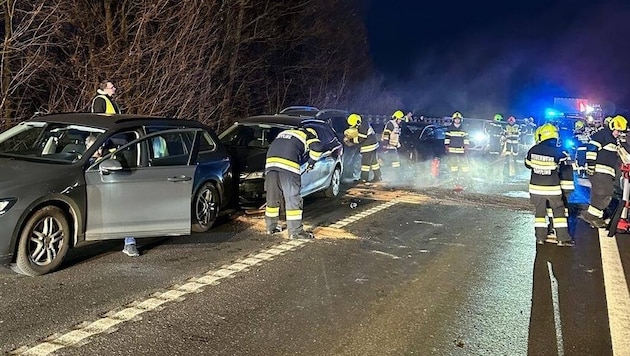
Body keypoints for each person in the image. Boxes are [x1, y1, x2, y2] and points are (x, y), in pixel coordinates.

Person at [91, 80, 138, 256]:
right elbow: (101, 125)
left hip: (114, 153)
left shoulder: (111, 102)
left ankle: (129, 241)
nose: (115, 89)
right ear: (103, 89)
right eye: (112, 87)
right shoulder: (100, 101)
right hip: (108, 152)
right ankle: (128, 240)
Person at [264, 127, 323, 239]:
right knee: (293, 199)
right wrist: (311, 162)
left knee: (272, 198)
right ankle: (296, 232)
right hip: (288, 166)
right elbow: (317, 147)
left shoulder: (284, 133)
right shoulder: (307, 134)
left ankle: (271, 227)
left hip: (270, 164)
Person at [525, 123, 574, 247]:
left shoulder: (533, 150)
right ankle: (562, 238)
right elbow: (566, 163)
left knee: (539, 214)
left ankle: (540, 238)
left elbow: (527, 164)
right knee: (558, 212)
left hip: (535, 189)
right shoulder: (557, 152)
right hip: (552, 188)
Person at [579, 115, 628, 228]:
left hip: (605, 171)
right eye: (617, 130)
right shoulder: (603, 134)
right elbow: (591, 148)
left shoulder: (613, 138)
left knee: (598, 194)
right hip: (599, 170)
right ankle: (592, 216)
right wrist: (591, 165)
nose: (618, 133)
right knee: (606, 192)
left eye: (620, 131)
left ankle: (593, 216)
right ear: (611, 127)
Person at [345, 113, 382, 184]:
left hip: (368, 147)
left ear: (358, 122)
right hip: (373, 145)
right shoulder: (363, 122)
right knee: (374, 163)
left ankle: (364, 179)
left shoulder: (363, 126)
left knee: (365, 164)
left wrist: (351, 140)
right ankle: (378, 177)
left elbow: (361, 139)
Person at [444, 111, 470, 184]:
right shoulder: (449, 129)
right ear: (453, 120)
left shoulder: (464, 129)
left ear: (460, 120)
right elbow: (447, 138)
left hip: (461, 150)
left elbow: (466, 139)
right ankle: (454, 178)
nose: (457, 120)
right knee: (453, 165)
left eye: (458, 119)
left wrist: (466, 147)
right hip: (452, 150)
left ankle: (466, 178)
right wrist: (446, 146)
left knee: (464, 165)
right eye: (456, 119)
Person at [380, 110, 404, 175]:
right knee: (388, 162)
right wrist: (385, 144)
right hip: (388, 147)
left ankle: (396, 176)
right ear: (396, 118)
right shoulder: (390, 124)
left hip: (393, 147)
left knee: (395, 163)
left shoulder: (396, 125)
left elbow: (395, 137)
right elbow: (386, 134)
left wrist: (398, 145)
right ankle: (390, 175)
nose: (400, 121)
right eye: (400, 119)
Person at [502, 116, 521, 181]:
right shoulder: (506, 127)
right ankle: (506, 170)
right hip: (508, 142)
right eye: (510, 121)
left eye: (512, 121)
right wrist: (504, 139)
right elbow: (503, 134)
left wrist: (514, 134)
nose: (511, 122)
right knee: (507, 156)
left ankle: (517, 170)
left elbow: (520, 133)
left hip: (515, 142)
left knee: (515, 157)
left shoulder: (517, 126)